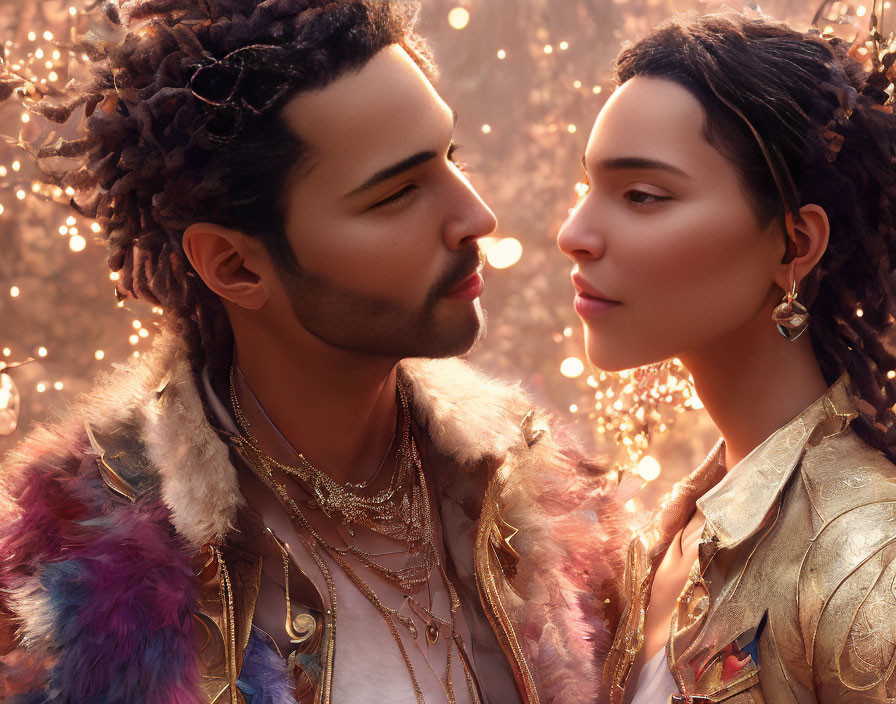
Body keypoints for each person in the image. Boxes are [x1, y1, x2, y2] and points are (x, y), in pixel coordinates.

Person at [0, 2, 622, 702]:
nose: (476, 216)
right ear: (235, 266)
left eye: (451, 157)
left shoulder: (545, 500)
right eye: (397, 194)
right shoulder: (78, 568)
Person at [558, 11, 896, 704]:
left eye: (641, 196)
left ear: (794, 244)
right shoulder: (676, 530)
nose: (575, 233)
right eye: (588, 187)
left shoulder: (866, 561)